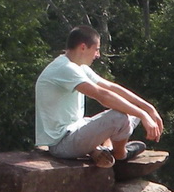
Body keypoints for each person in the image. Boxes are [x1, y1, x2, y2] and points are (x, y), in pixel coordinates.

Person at [35, 26, 163, 167]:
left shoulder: (78, 66)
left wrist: (148, 108)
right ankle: (120, 154)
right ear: (83, 47)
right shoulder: (64, 68)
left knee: (132, 107)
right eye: (96, 49)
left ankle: (100, 148)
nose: (98, 55)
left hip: (77, 129)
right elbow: (103, 96)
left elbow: (111, 87)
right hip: (62, 144)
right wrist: (143, 115)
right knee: (119, 117)